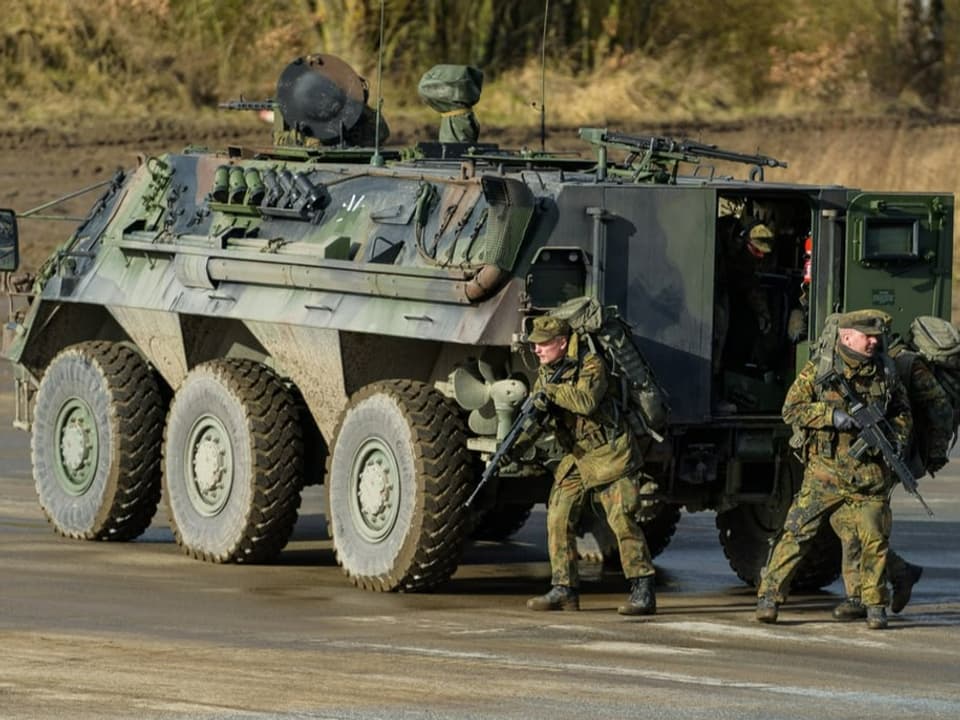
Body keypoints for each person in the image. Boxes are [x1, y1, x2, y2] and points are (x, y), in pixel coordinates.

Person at [756, 309, 912, 630]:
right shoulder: (821, 369)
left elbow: (902, 411)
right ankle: (769, 597)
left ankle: (874, 606)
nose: (873, 342)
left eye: (876, 337)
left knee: (873, 537)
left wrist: (894, 438)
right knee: (797, 532)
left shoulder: (885, 370)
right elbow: (792, 409)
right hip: (824, 472)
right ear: (846, 337)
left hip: (869, 474)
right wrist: (831, 416)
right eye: (866, 336)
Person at [523, 315, 657, 615]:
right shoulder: (547, 374)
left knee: (622, 520)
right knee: (558, 515)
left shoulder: (591, 364)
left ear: (561, 343)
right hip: (579, 457)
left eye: (543, 344)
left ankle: (643, 588)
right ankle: (564, 589)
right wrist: (513, 448)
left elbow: (585, 402)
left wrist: (551, 394)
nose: (537, 350)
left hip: (611, 454)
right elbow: (535, 419)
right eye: (534, 345)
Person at [829, 328, 951, 620]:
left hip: (889, 456)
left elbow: (940, 409)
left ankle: (866, 595)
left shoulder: (901, 365)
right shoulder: (879, 364)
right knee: (848, 522)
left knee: (864, 526)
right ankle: (892, 576)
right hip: (874, 455)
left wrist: (930, 454)